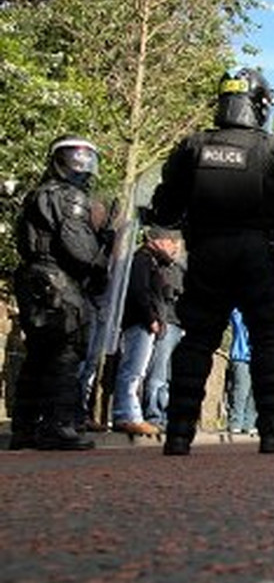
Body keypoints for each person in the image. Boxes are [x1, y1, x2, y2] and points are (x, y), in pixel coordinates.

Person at [148, 67, 274, 455]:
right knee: (267, 341)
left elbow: (164, 207)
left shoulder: (192, 147)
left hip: (208, 253)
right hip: (258, 255)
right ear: (259, 105)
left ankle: (178, 433)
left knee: (196, 340)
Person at [10, 136, 112, 450]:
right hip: (61, 281)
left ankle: (24, 426)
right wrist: (105, 247)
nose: (83, 166)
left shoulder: (35, 195)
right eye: (77, 158)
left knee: (38, 354)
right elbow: (79, 249)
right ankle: (59, 425)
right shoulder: (70, 198)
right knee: (67, 352)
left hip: (33, 278)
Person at [112, 226, 181, 436]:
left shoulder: (151, 261)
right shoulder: (142, 259)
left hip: (146, 322)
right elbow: (139, 291)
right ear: (159, 241)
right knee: (133, 370)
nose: (174, 249)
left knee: (137, 370)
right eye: (171, 243)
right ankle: (127, 414)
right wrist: (150, 318)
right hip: (140, 322)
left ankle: (130, 414)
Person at [142, 231, 184, 431]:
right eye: (172, 243)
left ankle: (165, 416)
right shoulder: (157, 266)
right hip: (165, 322)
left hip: (178, 325)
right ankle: (153, 414)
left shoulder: (181, 269)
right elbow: (152, 294)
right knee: (157, 372)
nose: (175, 248)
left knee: (169, 375)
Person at [223, 309, 255, 435]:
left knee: (253, 392)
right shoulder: (239, 314)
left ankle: (249, 423)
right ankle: (236, 422)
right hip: (241, 356)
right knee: (241, 390)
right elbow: (234, 313)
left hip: (257, 357)